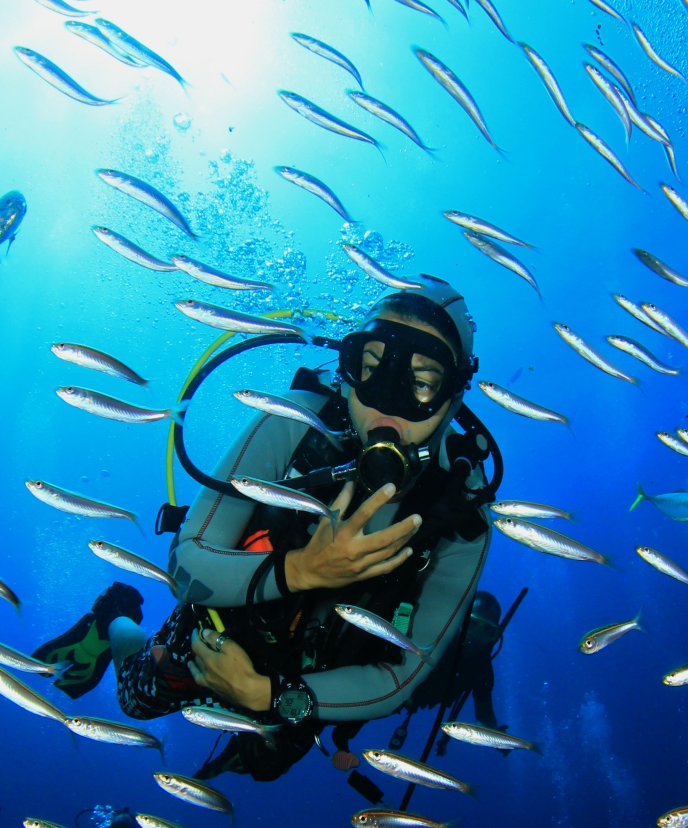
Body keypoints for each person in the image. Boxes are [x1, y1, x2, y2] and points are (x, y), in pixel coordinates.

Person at [114, 277, 495, 781]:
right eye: (372, 368)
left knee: (266, 765)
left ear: (454, 394)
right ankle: (114, 620)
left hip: (305, 678)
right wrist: (302, 570)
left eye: (422, 382)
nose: (387, 402)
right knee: (135, 701)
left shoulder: (462, 518)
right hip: (217, 632)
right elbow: (187, 564)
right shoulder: (294, 422)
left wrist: (270, 695)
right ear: (348, 366)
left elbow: (406, 672)